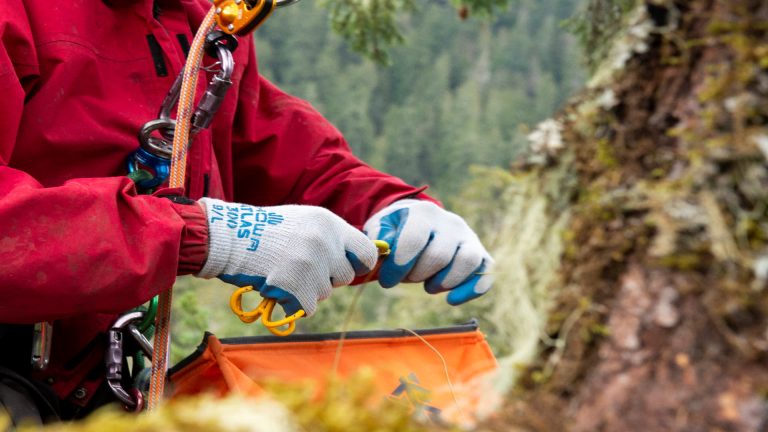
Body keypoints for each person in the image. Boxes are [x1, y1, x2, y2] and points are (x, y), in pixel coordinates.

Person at [0, 0, 494, 423]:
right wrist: (207, 236)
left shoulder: (191, 19)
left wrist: (388, 207)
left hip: (79, 380)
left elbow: (255, 140)